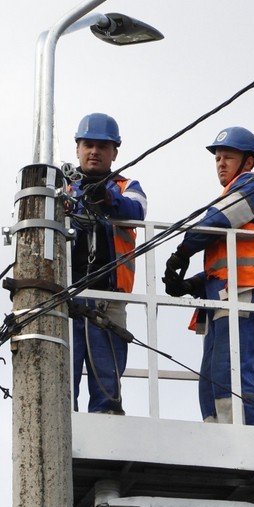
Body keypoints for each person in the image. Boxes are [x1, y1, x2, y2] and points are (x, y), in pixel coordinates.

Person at [163, 127, 254, 426]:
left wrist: (183, 250)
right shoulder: (232, 194)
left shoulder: (253, 187)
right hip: (226, 292)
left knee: (230, 365)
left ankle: (242, 430)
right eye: (217, 158)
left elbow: (215, 223)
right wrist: (191, 284)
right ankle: (215, 426)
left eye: (228, 156)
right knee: (213, 368)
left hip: (244, 290)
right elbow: (222, 263)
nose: (221, 163)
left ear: (249, 162)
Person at [66, 113, 147, 414]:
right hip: (67, 297)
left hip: (108, 299)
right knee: (63, 373)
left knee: (106, 378)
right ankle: (63, 421)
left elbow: (136, 210)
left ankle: (107, 416)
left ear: (115, 152)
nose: (94, 152)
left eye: (102, 146)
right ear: (77, 148)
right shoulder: (62, 188)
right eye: (88, 145)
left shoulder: (127, 186)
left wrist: (105, 198)